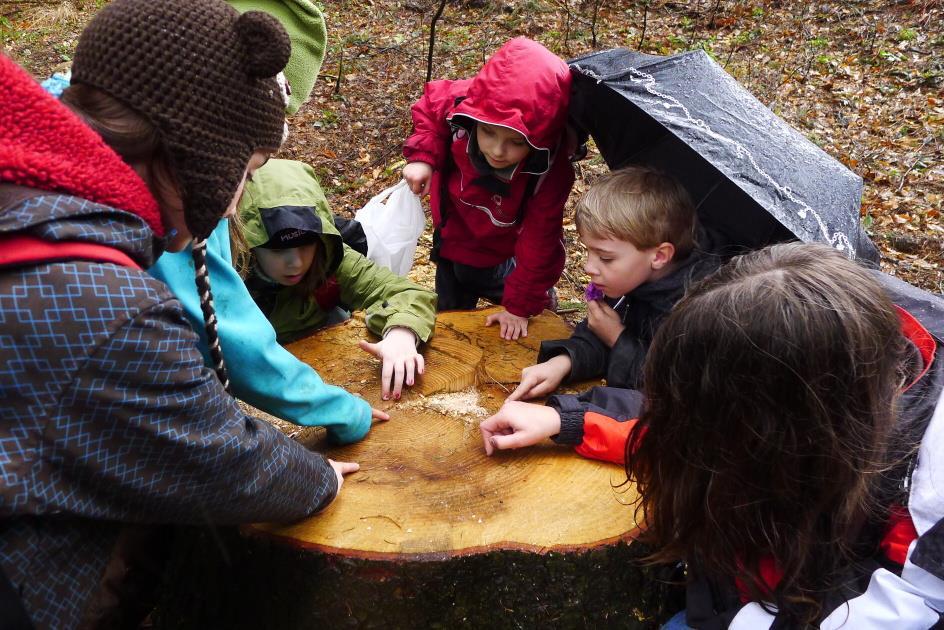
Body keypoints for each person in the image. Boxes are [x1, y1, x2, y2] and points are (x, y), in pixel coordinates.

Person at [0, 1, 358, 627]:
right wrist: (318, 480)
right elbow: (225, 463)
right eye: (244, 173)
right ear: (198, 154)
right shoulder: (106, 308)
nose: (234, 205)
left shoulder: (30, 197)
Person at [480, 243, 944, 628]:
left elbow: (903, 608)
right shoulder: (802, 349)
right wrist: (572, 422)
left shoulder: (927, 479)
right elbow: (695, 425)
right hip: (737, 586)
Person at [147, 0, 386, 445]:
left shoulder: (162, 149)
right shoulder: (177, 186)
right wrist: (341, 411)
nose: (233, 205)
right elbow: (231, 334)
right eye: (247, 156)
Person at [402, 36, 575, 341]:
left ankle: (540, 299)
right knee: (448, 321)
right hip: (453, 230)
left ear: (539, 140)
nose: (497, 150)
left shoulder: (548, 170)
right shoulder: (463, 104)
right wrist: (423, 158)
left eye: (516, 142)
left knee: (489, 279)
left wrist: (520, 306)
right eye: (488, 133)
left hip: (500, 245)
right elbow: (430, 107)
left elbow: (540, 239)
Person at [510, 166, 721, 400]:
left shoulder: (699, 314)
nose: (589, 267)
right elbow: (597, 332)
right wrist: (563, 362)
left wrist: (616, 337)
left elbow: (669, 389)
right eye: (588, 252)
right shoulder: (630, 278)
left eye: (606, 258)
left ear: (659, 256)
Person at [235, 158, 437, 399]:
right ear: (249, 245)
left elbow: (407, 293)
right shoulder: (220, 277)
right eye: (278, 251)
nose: (296, 262)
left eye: (306, 245)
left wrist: (401, 332)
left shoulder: (331, 258)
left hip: (328, 369)